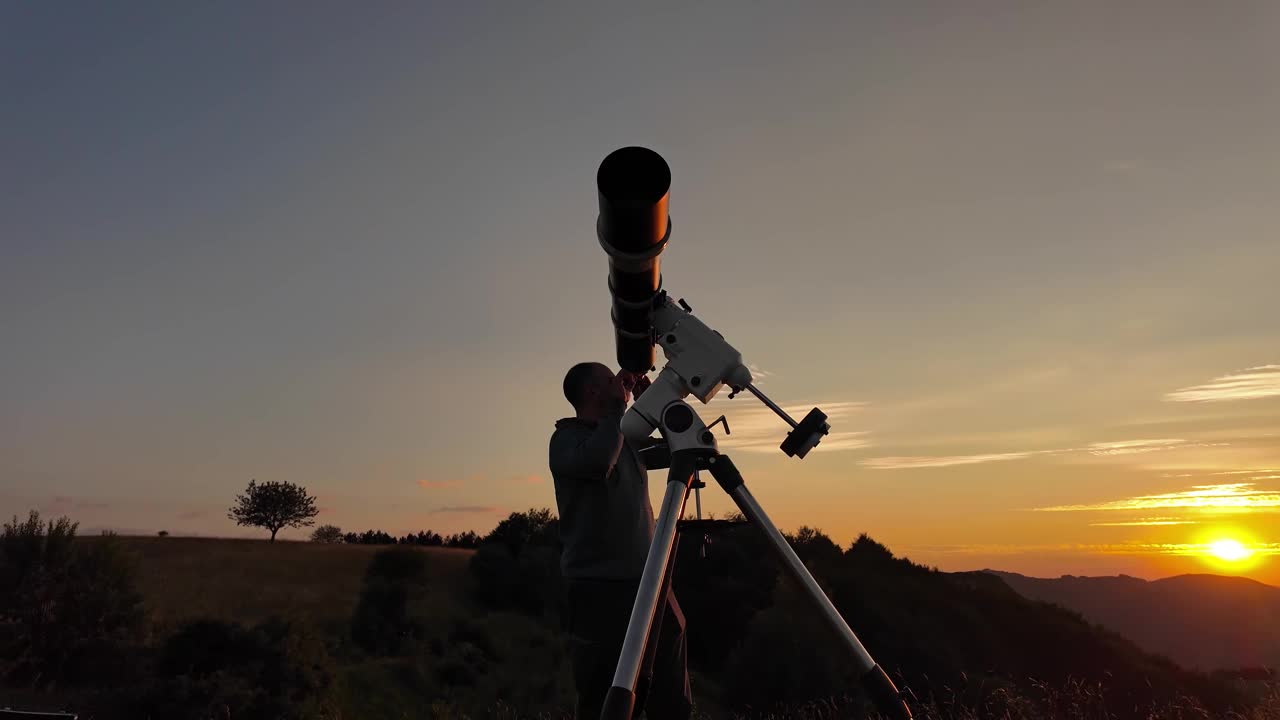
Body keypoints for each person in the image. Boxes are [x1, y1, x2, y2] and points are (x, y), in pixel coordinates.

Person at [550, 361, 692, 720]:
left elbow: (679, 453)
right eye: (612, 380)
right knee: (602, 698)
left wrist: (654, 407)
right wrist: (618, 411)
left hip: (649, 580)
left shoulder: (623, 434)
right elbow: (599, 463)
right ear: (593, 391)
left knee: (670, 694)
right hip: (600, 588)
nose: (621, 382)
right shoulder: (566, 439)